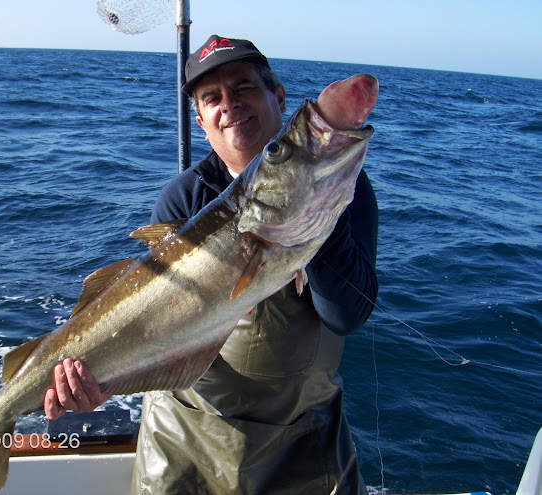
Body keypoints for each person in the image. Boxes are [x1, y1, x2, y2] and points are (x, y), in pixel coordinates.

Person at [44, 35, 378, 494]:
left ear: (277, 97)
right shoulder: (182, 198)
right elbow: (157, 330)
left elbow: (346, 314)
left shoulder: (343, 189)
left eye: (244, 89)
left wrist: (317, 209)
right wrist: (104, 377)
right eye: (212, 99)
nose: (230, 106)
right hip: (184, 443)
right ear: (200, 122)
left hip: (301, 446)